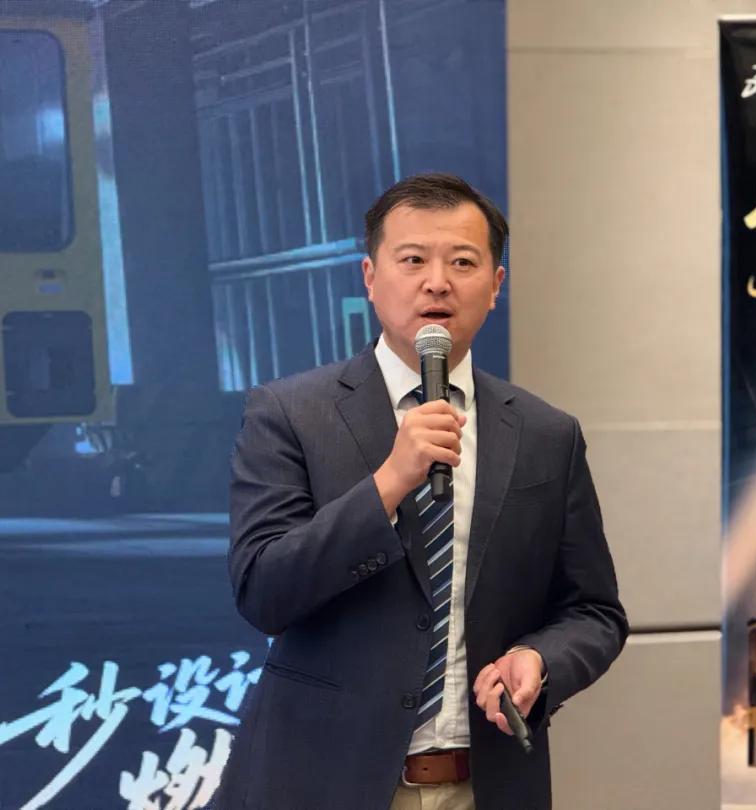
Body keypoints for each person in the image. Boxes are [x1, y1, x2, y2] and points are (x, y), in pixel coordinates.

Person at [214, 173, 627, 810]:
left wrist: (541, 659)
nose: (437, 282)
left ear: (496, 284)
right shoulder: (290, 413)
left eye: (463, 262)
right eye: (412, 260)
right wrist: (388, 483)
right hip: (325, 784)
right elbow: (264, 591)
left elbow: (594, 611)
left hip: (485, 786)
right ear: (370, 277)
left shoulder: (547, 434)